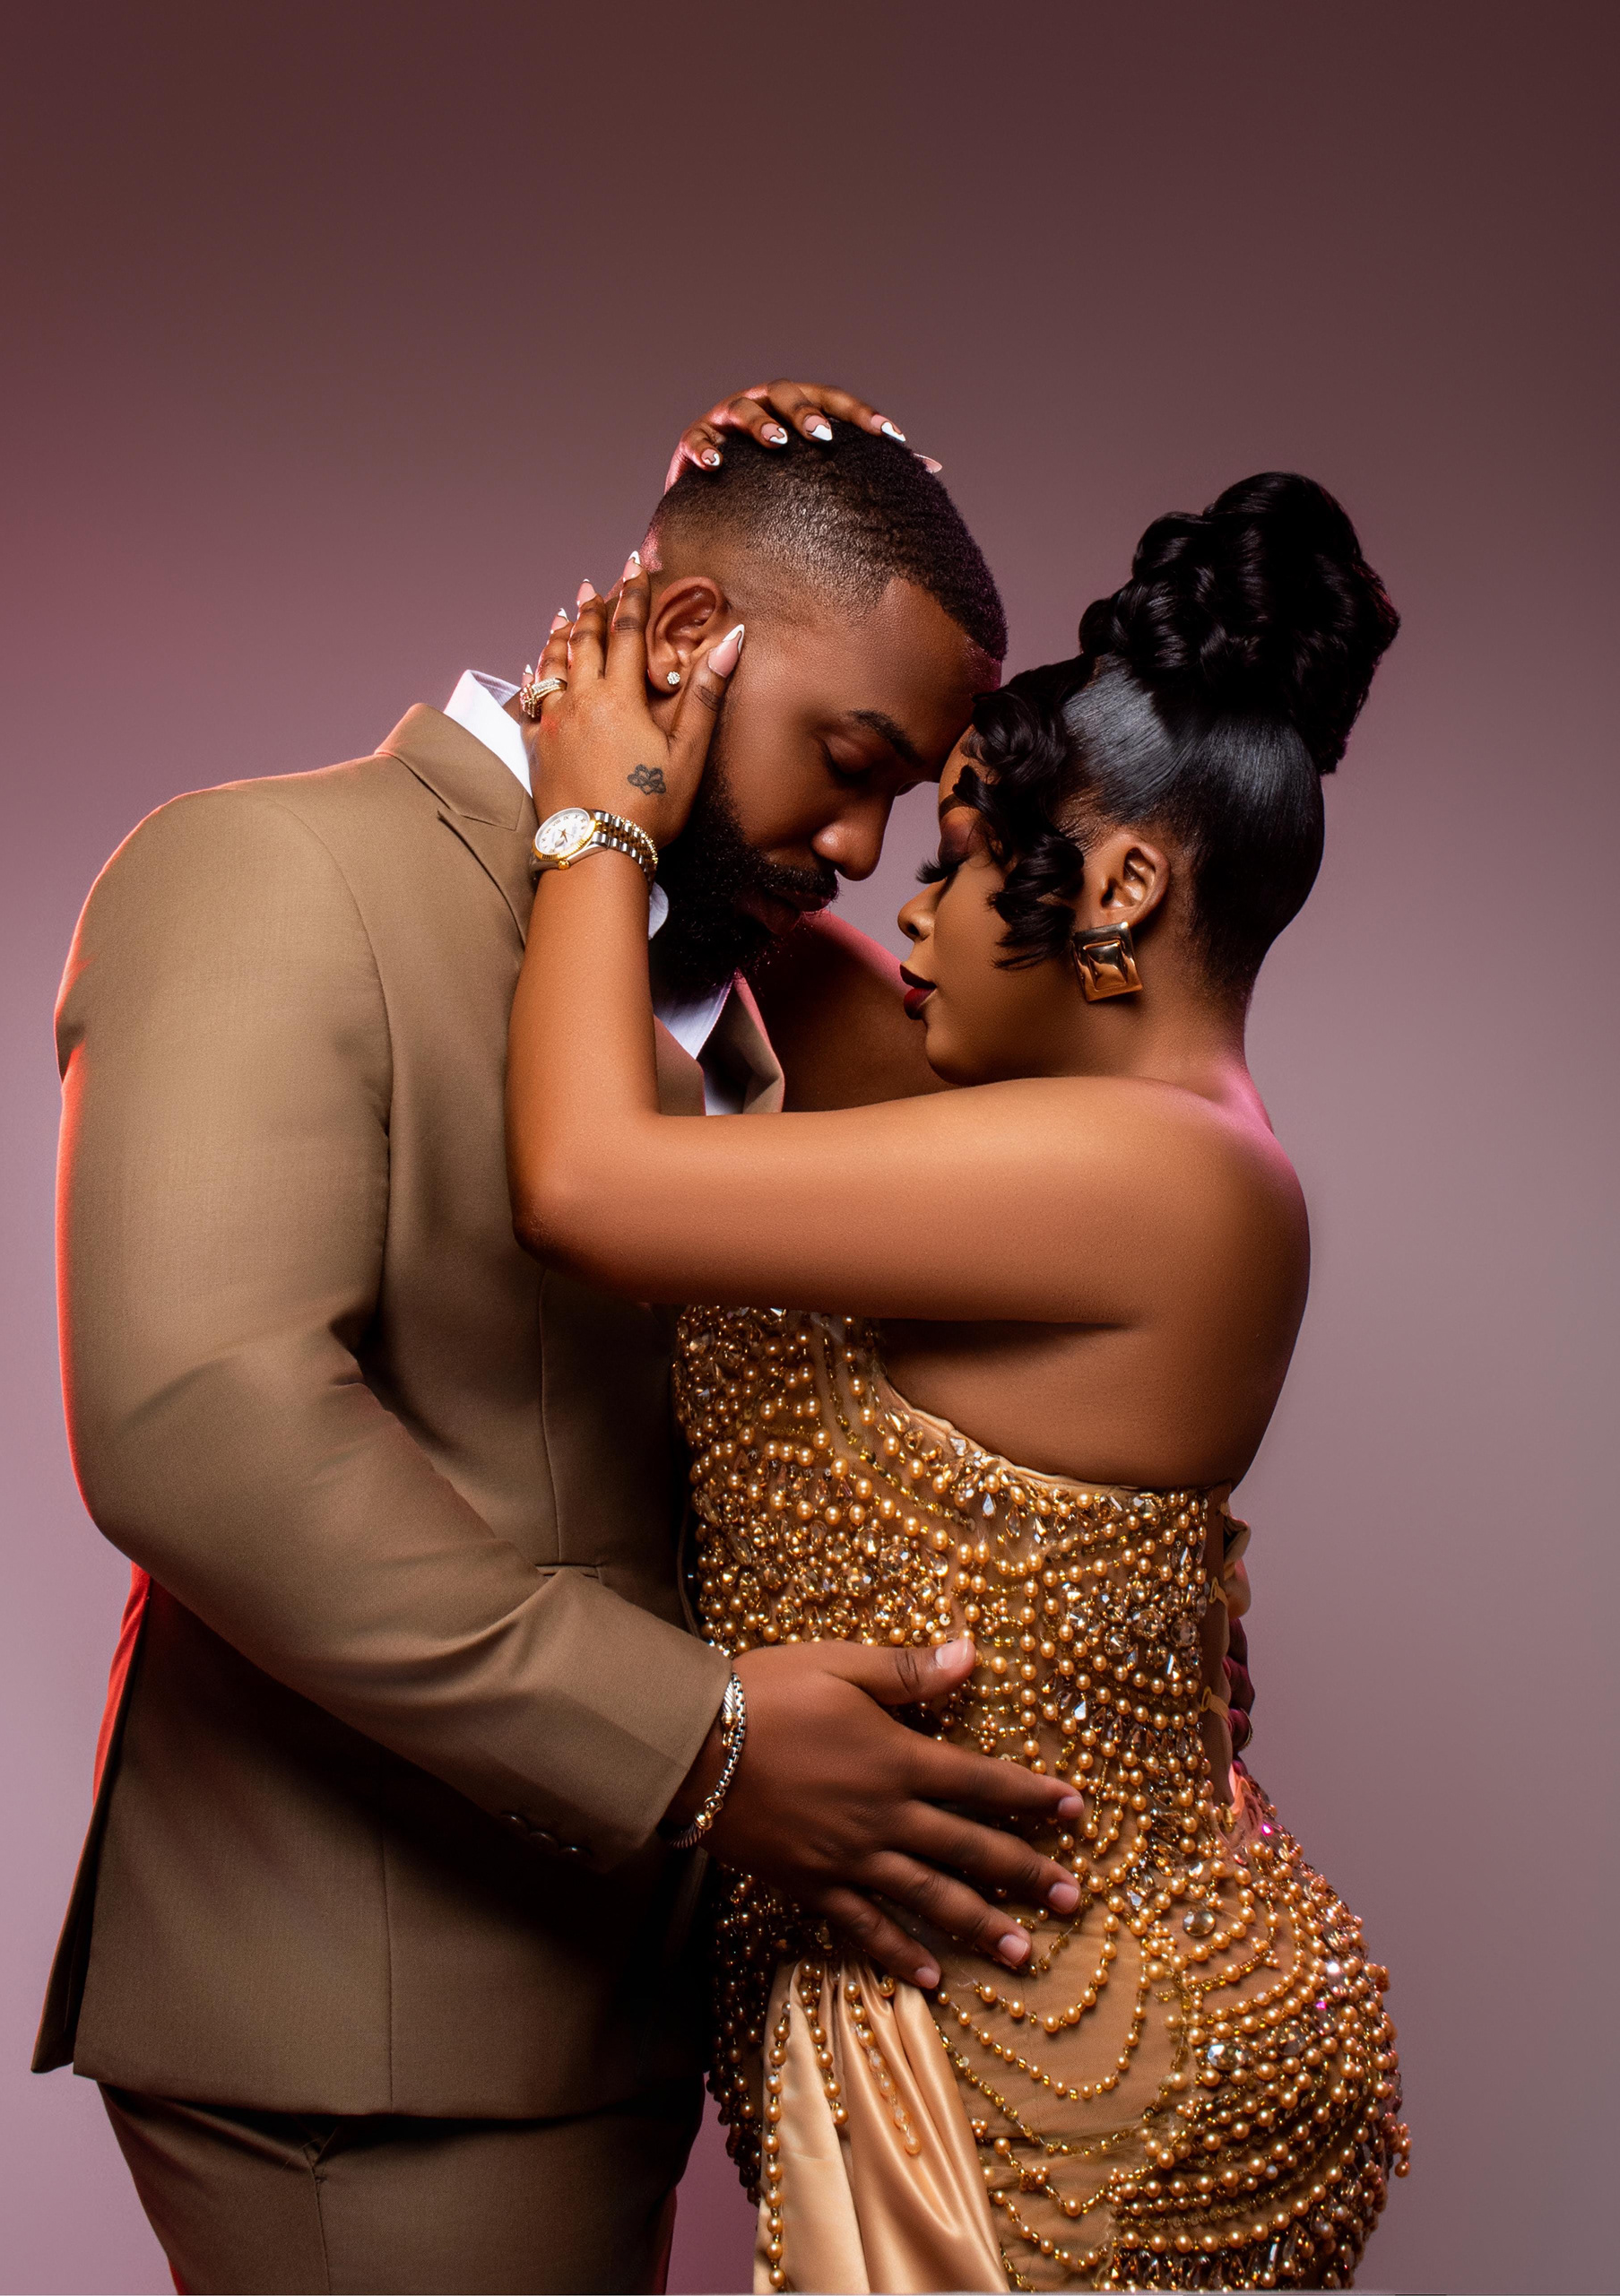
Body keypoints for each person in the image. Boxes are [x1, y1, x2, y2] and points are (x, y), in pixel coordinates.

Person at [31, 382, 1093, 2296]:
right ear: (688, 638)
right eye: (849, 759)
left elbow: (1071, 1201)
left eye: (903, 795)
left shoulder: (732, 976)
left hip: (608, 1999)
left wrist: (1120, 1610)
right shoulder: (273, 870)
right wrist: (703, 1745)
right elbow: (203, 1423)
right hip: (368, 2031)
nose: (864, 842)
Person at [506, 466, 1408, 2291]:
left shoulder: (1167, 1177)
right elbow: (741, 888)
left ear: (1122, 886)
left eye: (959, 857)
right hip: (972, 2022)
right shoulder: (1048, 1134)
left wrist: (592, 820)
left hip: (1068, 2075)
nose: (896, 903)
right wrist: (718, 535)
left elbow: (586, 1181)